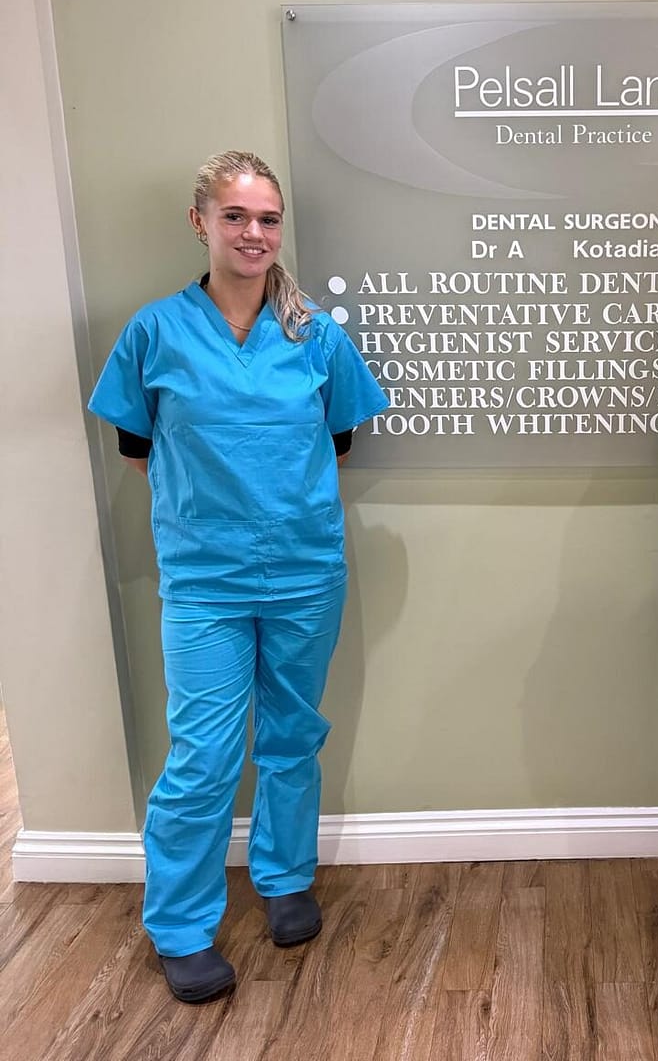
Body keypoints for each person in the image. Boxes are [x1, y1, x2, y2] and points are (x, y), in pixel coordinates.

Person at [88, 150, 388, 1003]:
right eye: (235, 217)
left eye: (266, 219)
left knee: (293, 733)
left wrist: (272, 512)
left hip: (304, 571)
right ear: (201, 224)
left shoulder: (316, 336)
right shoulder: (155, 331)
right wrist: (213, 514)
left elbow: (337, 444)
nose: (252, 233)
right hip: (204, 582)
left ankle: (285, 877)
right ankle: (180, 925)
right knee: (204, 756)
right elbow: (138, 448)